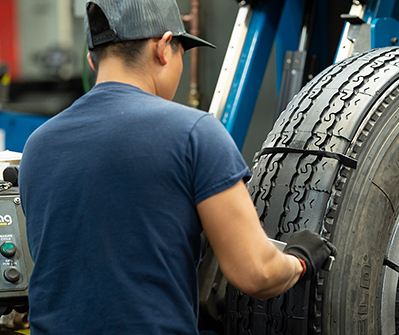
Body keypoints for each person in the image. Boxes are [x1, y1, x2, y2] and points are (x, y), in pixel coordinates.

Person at [17, 0, 336, 334]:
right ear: (164, 47)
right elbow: (255, 272)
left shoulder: (38, 145)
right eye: (183, 52)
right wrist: (299, 260)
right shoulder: (194, 133)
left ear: (92, 61)